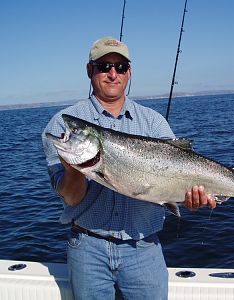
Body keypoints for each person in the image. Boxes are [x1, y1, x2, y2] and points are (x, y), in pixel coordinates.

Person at [42, 36, 216, 300]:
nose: (113, 74)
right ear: (90, 70)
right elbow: (71, 197)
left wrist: (190, 198)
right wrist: (71, 169)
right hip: (87, 248)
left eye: (120, 67)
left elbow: (178, 169)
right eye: (104, 66)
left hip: (144, 248)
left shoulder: (153, 122)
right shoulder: (64, 124)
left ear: (129, 72)